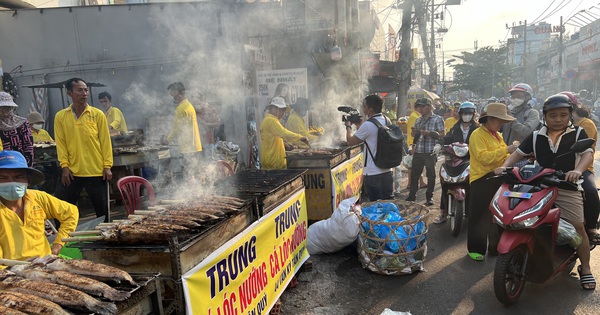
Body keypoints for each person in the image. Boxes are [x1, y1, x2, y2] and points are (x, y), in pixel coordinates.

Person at [495, 94, 595, 290]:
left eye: (563, 115)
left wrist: (577, 171)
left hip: (567, 187)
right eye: (553, 115)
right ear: (545, 116)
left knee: (577, 226)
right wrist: (505, 166)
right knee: (519, 217)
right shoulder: (535, 135)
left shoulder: (578, 133)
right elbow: (517, 154)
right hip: (539, 186)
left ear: (569, 116)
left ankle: (586, 268)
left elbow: (587, 155)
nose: (558, 119)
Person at [0, 150, 78, 261]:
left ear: (28, 180)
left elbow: (71, 213)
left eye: (18, 177)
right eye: (3, 178)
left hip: (45, 262)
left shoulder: (38, 198)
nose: (11, 182)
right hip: (11, 271)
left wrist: (58, 244)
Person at [54, 78, 113, 221]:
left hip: (96, 171)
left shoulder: (97, 114)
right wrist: (65, 167)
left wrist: (107, 166)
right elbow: (61, 144)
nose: (84, 93)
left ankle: (106, 241)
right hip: (72, 172)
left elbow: (105, 142)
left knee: (103, 213)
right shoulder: (61, 116)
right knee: (61, 210)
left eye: (86, 90)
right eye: (80, 90)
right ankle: (63, 241)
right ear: (69, 93)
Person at [467, 103, 518, 261]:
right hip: (482, 178)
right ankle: (476, 249)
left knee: (498, 214)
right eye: (499, 121)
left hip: (497, 178)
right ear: (489, 119)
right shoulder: (477, 134)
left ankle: (495, 247)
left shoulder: (497, 134)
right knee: (479, 216)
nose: (501, 124)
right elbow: (483, 158)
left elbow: (502, 158)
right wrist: (507, 150)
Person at [436, 102, 479, 223]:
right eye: (464, 113)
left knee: (473, 185)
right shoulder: (455, 128)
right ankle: (443, 212)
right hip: (454, 159)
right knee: (445, 183)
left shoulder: (478, 128)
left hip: (471, 160)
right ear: (460, 114)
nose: (466, 115)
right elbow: (447, 138)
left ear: (473, 114)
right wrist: (439, 144)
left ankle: (474, 212)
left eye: (469, 113)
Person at [346, 94, 394, 201]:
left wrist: (348, 126)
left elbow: (350, 142)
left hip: (373, 173)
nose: (363, 109)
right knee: (387, 204)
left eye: (365, 107)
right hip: (387, 170)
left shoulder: (367, 125)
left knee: (375, 206)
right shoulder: (387, 120)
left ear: (370, 109)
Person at [569, 99, 600, 245]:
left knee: (590, 190)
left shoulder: (586, 124)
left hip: (583, 167)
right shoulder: (557, 125)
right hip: (560, 167)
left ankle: (592, 228)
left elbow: (583, 150)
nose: (558, 117)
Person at [405, 97, 445, 206]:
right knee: (414, 174)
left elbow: (442, 134)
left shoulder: (438, 119)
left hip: (430, 151)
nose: (420, 109)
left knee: (431, 175)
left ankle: (429, 197)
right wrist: (415, 133)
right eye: (419, 106)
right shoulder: (418, 119)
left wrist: (430, 133)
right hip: (418, 150)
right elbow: (413, 134)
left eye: (423, 106)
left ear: (429, 106)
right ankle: (412, 195)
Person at [260, 96, 308, 170]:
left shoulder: (267, 120)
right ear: (275, 109)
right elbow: (284, 132)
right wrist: (300, 137)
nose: (283, 113)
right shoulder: (271, 121)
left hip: (271, 162)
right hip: (273, 163)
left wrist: (284, 143)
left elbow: (272, 138)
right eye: (282, 110)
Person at [165, 82, 202, 154]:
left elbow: (177, 129)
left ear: (176, 92)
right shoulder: (189, 106)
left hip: (187, 147)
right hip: (196, 146)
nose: (171, 96)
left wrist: (167, 140)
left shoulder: (180, 108)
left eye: (171, 94)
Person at [502, 83, 541, 148]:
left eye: (518, 96)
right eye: (513, 97)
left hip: (522, 155)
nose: (515, 99)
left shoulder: (532, 113)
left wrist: (511, 118)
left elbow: (526, 132)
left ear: (527, 97)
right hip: (505, 153)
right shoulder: (510, 112)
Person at [0, 92, 33, 166]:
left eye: (7, 107)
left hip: (19, 162)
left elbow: (28, 146)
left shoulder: (22, 123)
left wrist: (28, 165)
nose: (4, 110)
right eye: (2, 107)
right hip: (2, 163)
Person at [405, 99, 426, 189]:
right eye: (421, 107)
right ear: (417, 107)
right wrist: (414, 145)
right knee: (412, 165)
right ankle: (410, 183)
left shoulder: (416, 115)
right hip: (414, 144)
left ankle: (420, 182)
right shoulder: (415, 117)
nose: (422, 109)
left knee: (416, 164)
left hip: (414, 143)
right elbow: (414, 132)